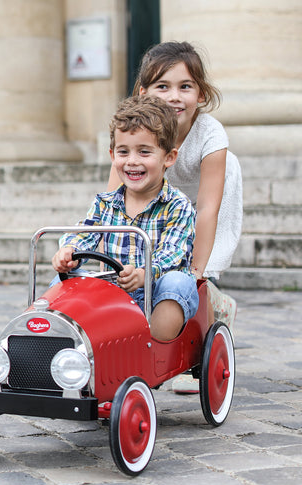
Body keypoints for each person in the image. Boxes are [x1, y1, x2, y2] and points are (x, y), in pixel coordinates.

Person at [107, 42, 243, 393]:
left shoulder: (210, 135)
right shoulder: (135, 134)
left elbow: (207, 209)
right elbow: (114, 201)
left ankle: (207, 307)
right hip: (153, 183)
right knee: (143, 252)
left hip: (206, 189)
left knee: (195, 268)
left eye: (185, 86)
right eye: (162, 86)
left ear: (200, 93)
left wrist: (195, 271)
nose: (174, 97)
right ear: (144, 92)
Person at [52, 95, 199, 342]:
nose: (132, 161)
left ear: (169, 157)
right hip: (113, 295)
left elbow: (173, 254)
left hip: (156, 294)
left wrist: (144, 274)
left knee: (179, 282)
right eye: (123, 152)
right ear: (112, 155)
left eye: (144, 152)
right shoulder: (105, 203)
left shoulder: (177, 205)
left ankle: (151, 345)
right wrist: (69, 251)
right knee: (61, 279)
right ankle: (62, 343)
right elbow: (85, 233)